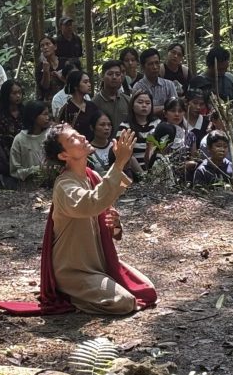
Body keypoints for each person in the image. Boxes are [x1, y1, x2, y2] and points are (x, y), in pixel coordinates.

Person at [40, 125, 156, 314]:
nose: (82, 136)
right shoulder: (64, 186)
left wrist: (116, 225)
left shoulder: (91, 175)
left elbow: (106, 212)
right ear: (63, 156)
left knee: (147, 290)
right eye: (72, 139)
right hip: (74, 271)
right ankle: (70, 295)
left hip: (98, 263)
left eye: (78, 133)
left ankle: (94, 288)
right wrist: (118, 164)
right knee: (124, 302)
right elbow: (92, 204)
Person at [10, 100, 51, 182]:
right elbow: (15, 171)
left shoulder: (50, 135)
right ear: (33, 116)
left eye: (48, 114)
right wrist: (34, 170)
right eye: (44, 114)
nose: (48, 117)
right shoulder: (20, 139)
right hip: (28, 185)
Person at [118, 91, 160, 170]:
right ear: (132, 106)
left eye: (148, 103)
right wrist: (142, 176)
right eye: (140, 102)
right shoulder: (125, 126)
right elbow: (126, 155)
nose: (144, 105)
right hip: (133, 172)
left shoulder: (158, 124)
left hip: (156, 170)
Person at [132, 48, 178, 116]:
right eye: (150, 64)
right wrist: (166, 106)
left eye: (157, 63)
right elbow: (141, 111)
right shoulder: (138, 87)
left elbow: (176, 107)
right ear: (143, 67)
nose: (155, 67)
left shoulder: (169, 85)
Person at [58, 70, 99, 140]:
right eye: (85, 82)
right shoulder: (66, 109)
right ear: (75, 86)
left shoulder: (92, 106)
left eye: (89, 82)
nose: (89, 84)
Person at [93, 60, 130, 128]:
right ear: (102, 76)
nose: (114, 77)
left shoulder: (128, 100)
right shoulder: (94, 103)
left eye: (117, 74)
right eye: (110, 74)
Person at [0, 79, 24, 155]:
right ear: (6, 94)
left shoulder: (26, 111)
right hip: (8, 150)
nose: (18, 95)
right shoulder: (1, 116)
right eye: (14, 93)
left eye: (19, 92)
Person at [35, 36, 65, 104]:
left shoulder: (65, 62)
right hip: (49, 102)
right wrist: (46, 71)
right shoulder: (40, 67)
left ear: (55, 47)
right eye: (42, 46)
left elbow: (74, 81)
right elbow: (44, 87)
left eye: (48, 44)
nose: (45, 47)